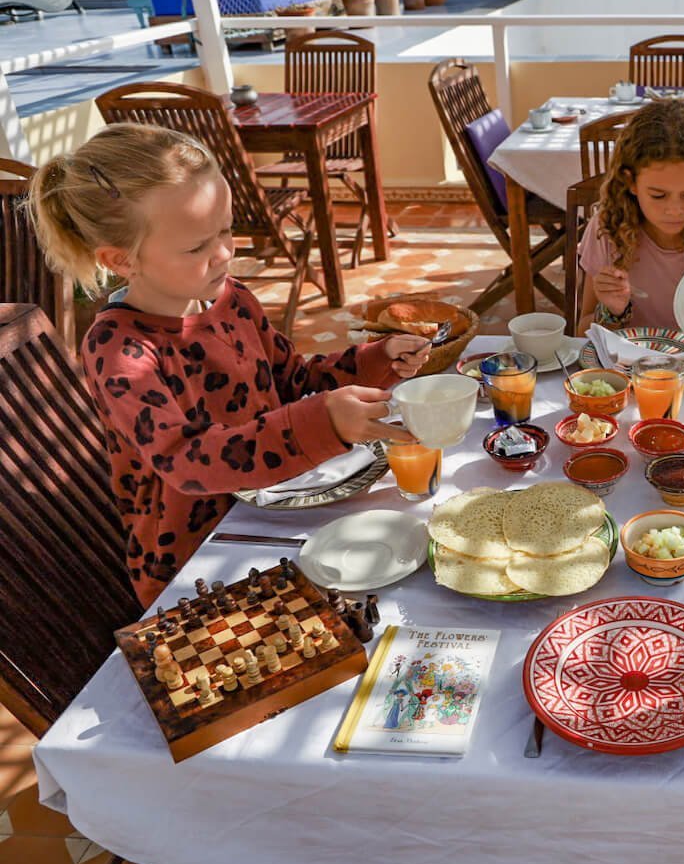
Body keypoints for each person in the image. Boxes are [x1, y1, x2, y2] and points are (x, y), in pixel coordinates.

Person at [29, 123, 430, 607]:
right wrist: (322, 421)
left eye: (226, 229)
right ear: (122, 260)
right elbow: (186, 460)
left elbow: (293, 380)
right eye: (197, 247)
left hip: (281, 509)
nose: (224, 253)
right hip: (199, 561)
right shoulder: (119, 350)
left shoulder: (232, 300)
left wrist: (374, 360)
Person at [578, 99, 684, 329]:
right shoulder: (608, 228)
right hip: (633, 362)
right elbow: (582, 330)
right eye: (658, 195)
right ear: (630, 181)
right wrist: (613, 311)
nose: (675, 209)